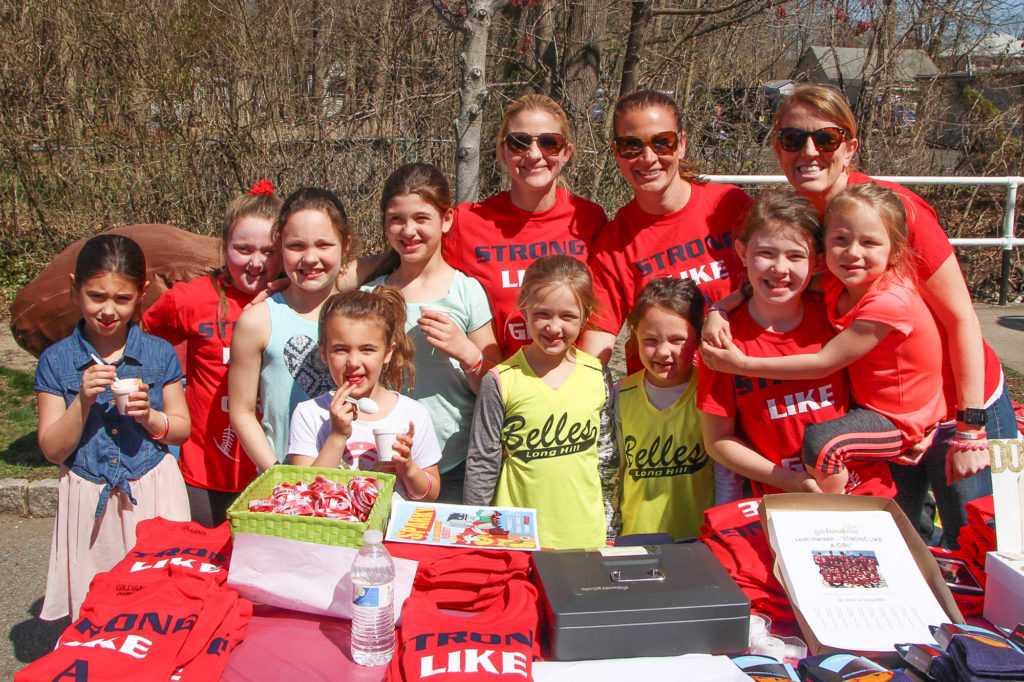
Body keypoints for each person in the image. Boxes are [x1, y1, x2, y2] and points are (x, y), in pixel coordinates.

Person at [763, 83, 1017, 544]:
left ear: (850, 147)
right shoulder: (802, 222)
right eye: (793, 138)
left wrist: (969, 428)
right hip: (889, 417)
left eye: (826, 138)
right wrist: (724, 306)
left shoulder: (893, 209)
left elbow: (961, 318)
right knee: (905, 546)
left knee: (990, 547)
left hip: (963, 407)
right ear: (777, 147)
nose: (809, 151)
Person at [702, 184, 944, 494]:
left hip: (870, 486)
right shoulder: (722, 341)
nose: (780, 268)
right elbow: (718, 440)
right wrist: (718, 309)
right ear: (741, 253)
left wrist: (931, 419)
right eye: (766, 253)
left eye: (795, 256)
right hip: (787, 498)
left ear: (815, 261)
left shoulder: (843, 313)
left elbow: (827, 363)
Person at [35, 234, 190, 620]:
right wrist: (82, 401)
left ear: (142, 293)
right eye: (96, 296)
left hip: (153, 491)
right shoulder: (56, 362)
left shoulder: (159, 354)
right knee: (96, 609)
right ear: (75, 288)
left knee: (158, 605)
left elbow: (181, 429)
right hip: (88, 496)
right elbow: (53, 449)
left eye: (122, 299)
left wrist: (149, 417)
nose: (108, 310)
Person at [143, 180, 282, 527]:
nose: (256, 263)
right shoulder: (190, 298)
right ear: (224, 246)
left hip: (275, 468)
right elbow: (144, 340)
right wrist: (168, 395)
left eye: (269, 251)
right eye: (243, 249)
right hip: (204, 469)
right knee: (203, 553)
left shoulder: (294, 300)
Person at [581, 89, 752, 369]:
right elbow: (596, 345)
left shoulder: (731, 205)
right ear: (616, 152)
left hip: (741, 376)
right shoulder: (613, 244)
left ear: (681, 144)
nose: (648, 157)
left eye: (662, 143)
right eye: (632, 145)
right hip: (665, 390)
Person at [361, 163, 501, 502]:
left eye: (421, 218)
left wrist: (467, 353)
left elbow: (496, 388)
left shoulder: (466, 291)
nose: (409, 230)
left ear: (446, 219)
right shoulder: (370, 296)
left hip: (456, 459)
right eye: (396, 219)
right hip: (387, 459)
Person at [463, 255, 614, 550]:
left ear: (586, 316)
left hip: (586, 536)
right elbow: (482, 462)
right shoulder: (501, 380)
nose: (554, 327)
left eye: (568, 316)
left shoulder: (597, 374)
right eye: (542, 314)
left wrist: (611, 531)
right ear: (524, 309)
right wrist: (475, 534)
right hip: (516, 539)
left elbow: (608, 458)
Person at [443, 94, 607, 356]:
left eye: (549, 143)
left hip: (572, 377)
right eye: (518, 142)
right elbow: (412, 266)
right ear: (502, 151)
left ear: (566, 152)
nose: (534, 154)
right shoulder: (467, 223)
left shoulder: (589, 219)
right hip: (493, 377)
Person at [229, 187, 354, 471]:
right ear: (280, 245)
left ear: (345, 245)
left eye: (324, 245)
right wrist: (276, 473)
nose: (310, 258)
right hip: (286, 481)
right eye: (296, 246)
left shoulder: (365, 312)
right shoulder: (258, 320)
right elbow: (241, 411)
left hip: (358, 477)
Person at [287, 288, 442, 502]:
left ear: (388, 352)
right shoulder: (310, 414)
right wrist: (337, 435)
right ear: (323, 352)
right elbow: (305, 495)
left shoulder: (413, 414)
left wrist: (408, 467)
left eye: (367, 349)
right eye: (340, 349)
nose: (353, 362)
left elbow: (430, 495)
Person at [613, 277, 715, 540]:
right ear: (635, 336)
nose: (663, 352)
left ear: (698, 337)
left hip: (699, 538)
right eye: (650, 340)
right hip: (636, 537)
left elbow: (726, 476)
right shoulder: (620, 394)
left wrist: (719, 531)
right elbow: (613, 472)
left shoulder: (710, 391)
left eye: (677, 340)